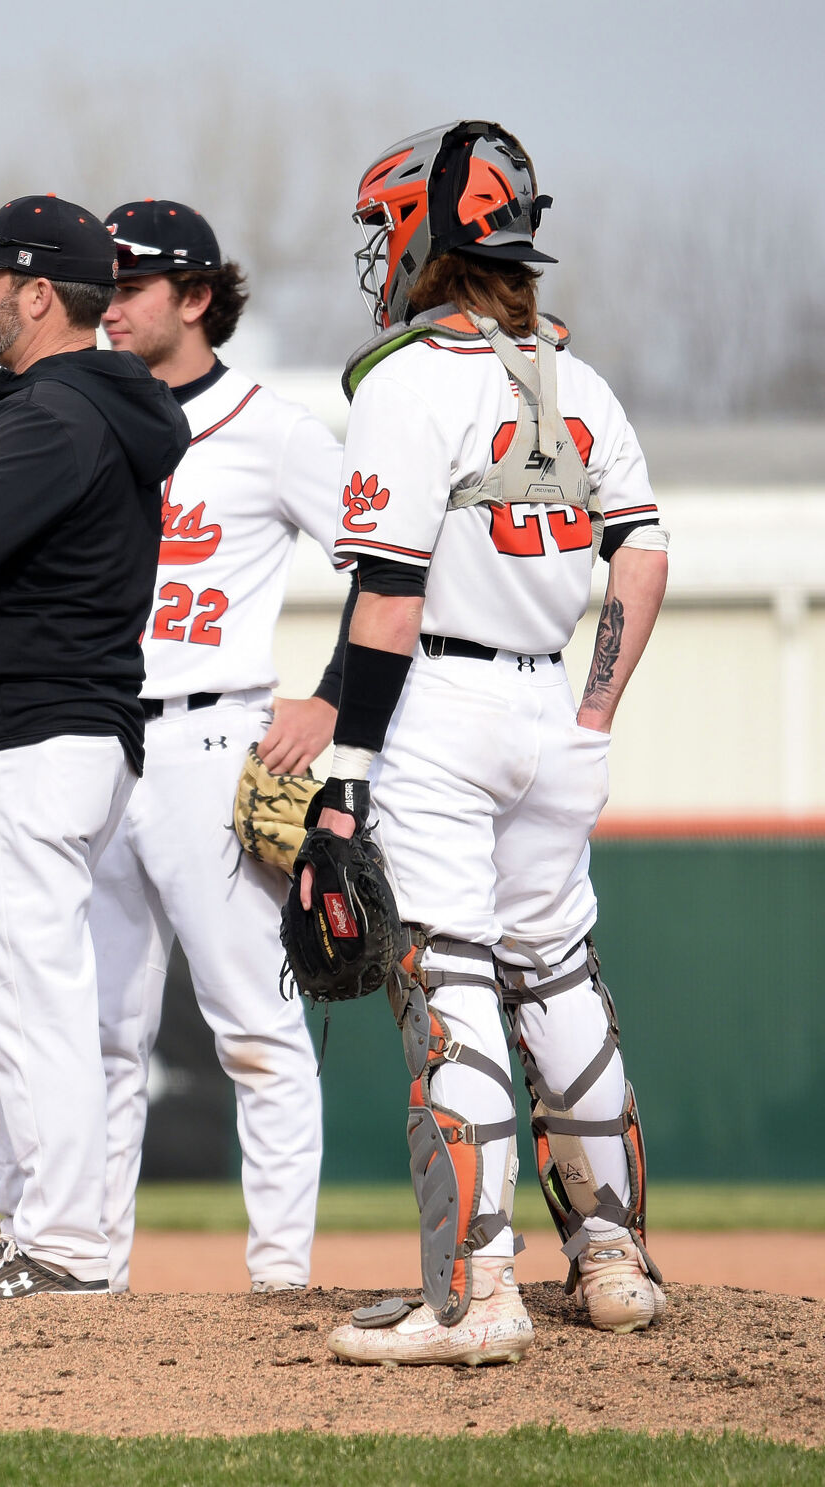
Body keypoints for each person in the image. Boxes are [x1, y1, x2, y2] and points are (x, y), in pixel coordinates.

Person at [313, 122, 670, 1365]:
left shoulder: (405, 378)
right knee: (556, 969)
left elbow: (387, 598)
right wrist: (593, 708)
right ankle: (613, 1261)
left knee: (446, 974)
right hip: (552, 711)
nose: (380, 253)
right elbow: (642, 545)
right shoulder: (576, 375)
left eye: (386, 227)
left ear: (428, 228)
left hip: (442, 709)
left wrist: (342, 776)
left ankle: (474, 1292)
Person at [0, 197, 188, 1304]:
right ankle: (44, 1233)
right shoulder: (84, 406)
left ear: (40, 292)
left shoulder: (53, 413)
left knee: (28, 994)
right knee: (6, 987)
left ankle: (58, 1244)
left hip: (30, 734)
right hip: (54, 733)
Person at [88, 201, 342, 1294]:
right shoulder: (85, 417)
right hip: (94, 740)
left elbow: (389, 566)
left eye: (131, 285)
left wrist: (331, 697)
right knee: (98, 1034)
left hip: (211, 731)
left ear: (195, 297)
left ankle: (278, 1281)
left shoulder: (271, 428)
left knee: (252, 1021)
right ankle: (85, 1271)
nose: (109, 305)